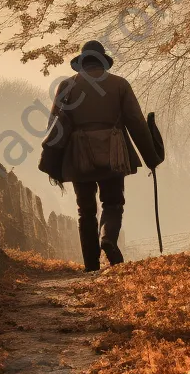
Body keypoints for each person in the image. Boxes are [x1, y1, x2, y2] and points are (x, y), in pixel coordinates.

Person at [38, 40, 162, 271]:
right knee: (113, 202)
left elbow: (54, 127)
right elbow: (136, 123)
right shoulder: (119, 85)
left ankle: (91, 265)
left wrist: (53, 162)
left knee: (85, 211)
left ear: (82, 63)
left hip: (78, 155)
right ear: (103, 61)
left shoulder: (67, 86)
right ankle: (108, 239)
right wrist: (151, 158)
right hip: (114, 152)